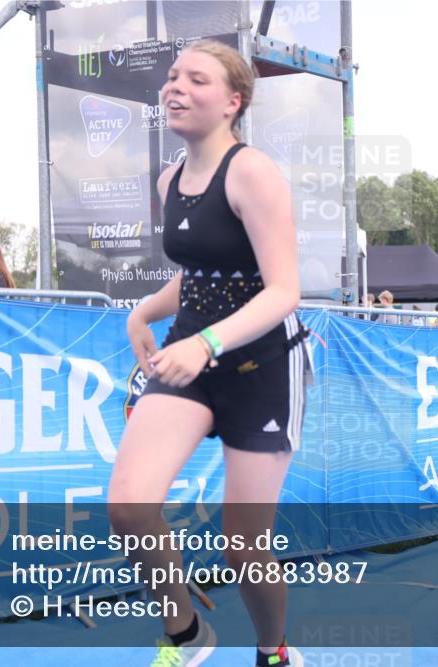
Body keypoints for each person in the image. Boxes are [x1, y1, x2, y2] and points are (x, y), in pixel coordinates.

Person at [107, 40, 306, 667]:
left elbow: (283, 290)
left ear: (232, 101)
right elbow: (200, 278)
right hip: (186, 359)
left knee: (244, 546)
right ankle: (186, 635)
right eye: (172, 77)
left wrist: (208, 341)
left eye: (197, 79)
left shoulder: (253, 172)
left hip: (261, 367)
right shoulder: (170, 180)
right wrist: (143, 311)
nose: (176, 87)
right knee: (129, 505)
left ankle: (273, 651)